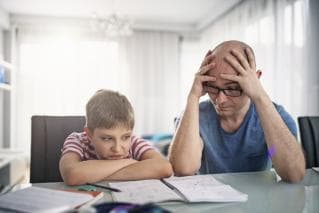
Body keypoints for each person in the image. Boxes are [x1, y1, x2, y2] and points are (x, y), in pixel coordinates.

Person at [168, 40, 305, 182]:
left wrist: (259, 96)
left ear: (254, 81)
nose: (220, 100)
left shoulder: (274, 115)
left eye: (232, 88)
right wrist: (193, 96)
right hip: (210, 201)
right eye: (212, 87)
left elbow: (293, 174)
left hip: (258, 200)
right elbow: (183, 169)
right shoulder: (197, 116)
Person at [60, 89, 172, 185]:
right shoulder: (77, 140)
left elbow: (164, 168)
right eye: (107, 138)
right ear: (89, 134)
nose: (117, 148)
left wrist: (91, 175)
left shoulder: (133, 141)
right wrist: (128, 162)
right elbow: (71, 175)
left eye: (125, 137)